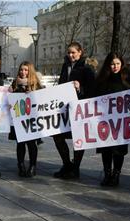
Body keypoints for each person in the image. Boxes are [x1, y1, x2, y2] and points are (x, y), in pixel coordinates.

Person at [53, 41, 96, 179]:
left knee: (78, 138)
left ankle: (75, 168)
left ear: (80, 52)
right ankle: (66, 164)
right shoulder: (65, 65)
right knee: (57, 136)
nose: (71, 55)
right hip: (65, 107)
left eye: (73, 52)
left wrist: (80, 87)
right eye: (69, 52)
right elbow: (61, 84)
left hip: (80, 108)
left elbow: (92, 89)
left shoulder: (87, 67)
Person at [95, 52, 130, 186]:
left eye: (118, 63)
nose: (115, 66)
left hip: (122, 121)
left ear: (121, 64)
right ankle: (107, 174)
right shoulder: (101, 80)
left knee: (119, 149)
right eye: (112, 64)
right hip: (105, 120)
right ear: (108, 65)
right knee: (106, 149)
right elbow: (94, 98)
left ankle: (116, 174)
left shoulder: (127, 77)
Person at [8, 61, 43, 177]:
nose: (23, 72)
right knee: (20, 143)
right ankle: (21, 165)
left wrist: (33, 94)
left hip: (32, 119)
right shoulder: (14, 83)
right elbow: (9, 99)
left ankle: (33, 166)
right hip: (19, 118)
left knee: (32, 144)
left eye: (26, 70)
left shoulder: (36, 84)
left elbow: (43, 99)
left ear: (30, 71)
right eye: (21, 70)